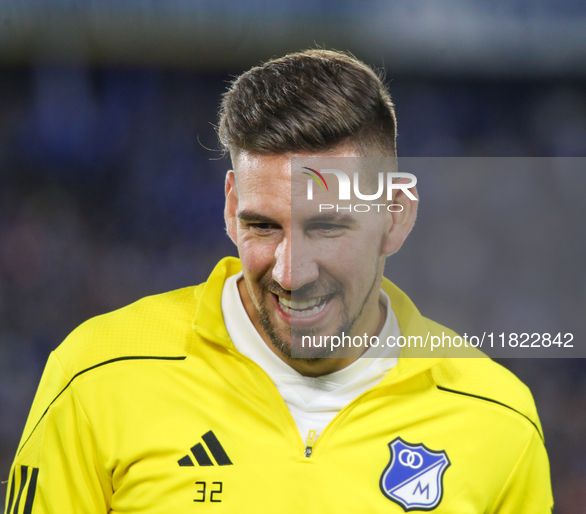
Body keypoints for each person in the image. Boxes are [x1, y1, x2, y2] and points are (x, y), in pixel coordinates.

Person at [5, 50, 552, 513]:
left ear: (396, 215)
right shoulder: (97, 376)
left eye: (328, 227)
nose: (291, 272)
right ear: (229, 207)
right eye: (263, 226)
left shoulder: (496, 417)